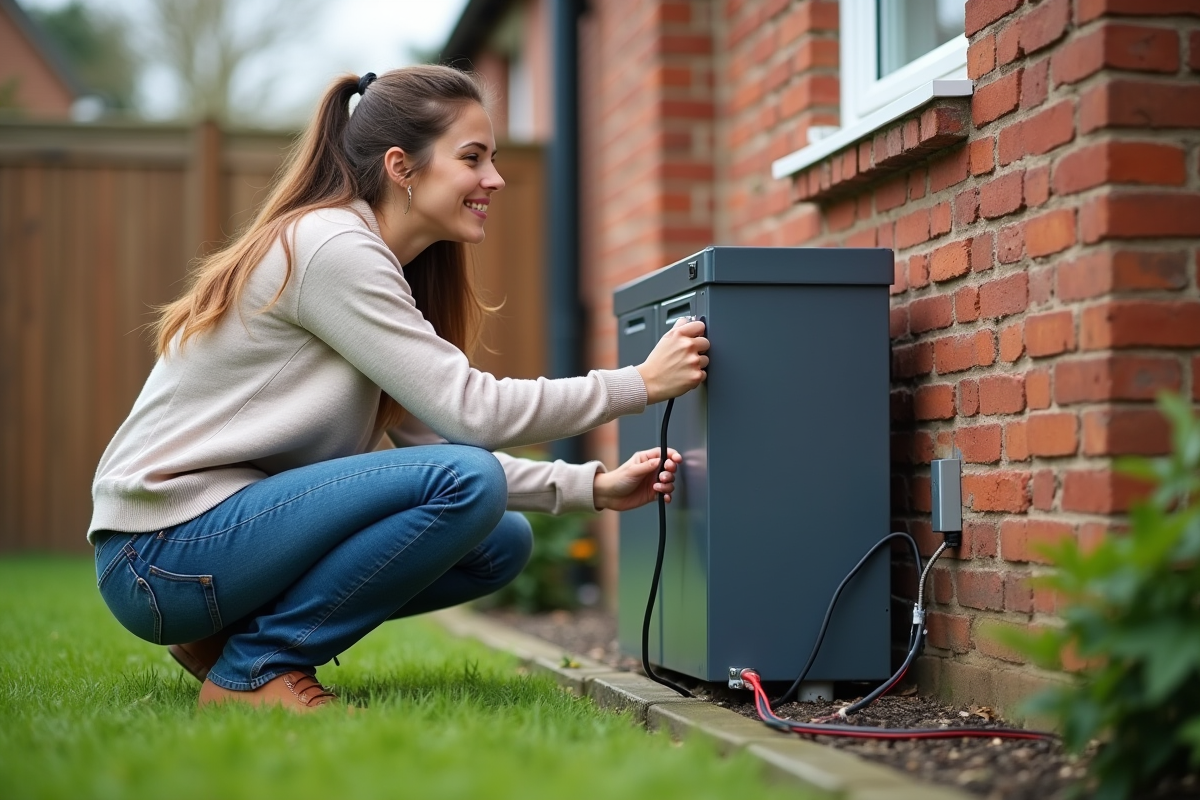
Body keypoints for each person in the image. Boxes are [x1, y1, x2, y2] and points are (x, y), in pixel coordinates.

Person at [88, 66, 708, 712]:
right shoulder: (333, 249)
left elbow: (431, 443)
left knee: (502, 541)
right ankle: (256, 666)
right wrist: (639, 383)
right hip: (158, 552)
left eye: (493, 159)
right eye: (473, 158)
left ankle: (223, 641)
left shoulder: (378, 265)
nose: (494, 178)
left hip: (207, 545)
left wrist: (590, 488)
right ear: (400, 167)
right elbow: (470, 416)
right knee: (472, 484)